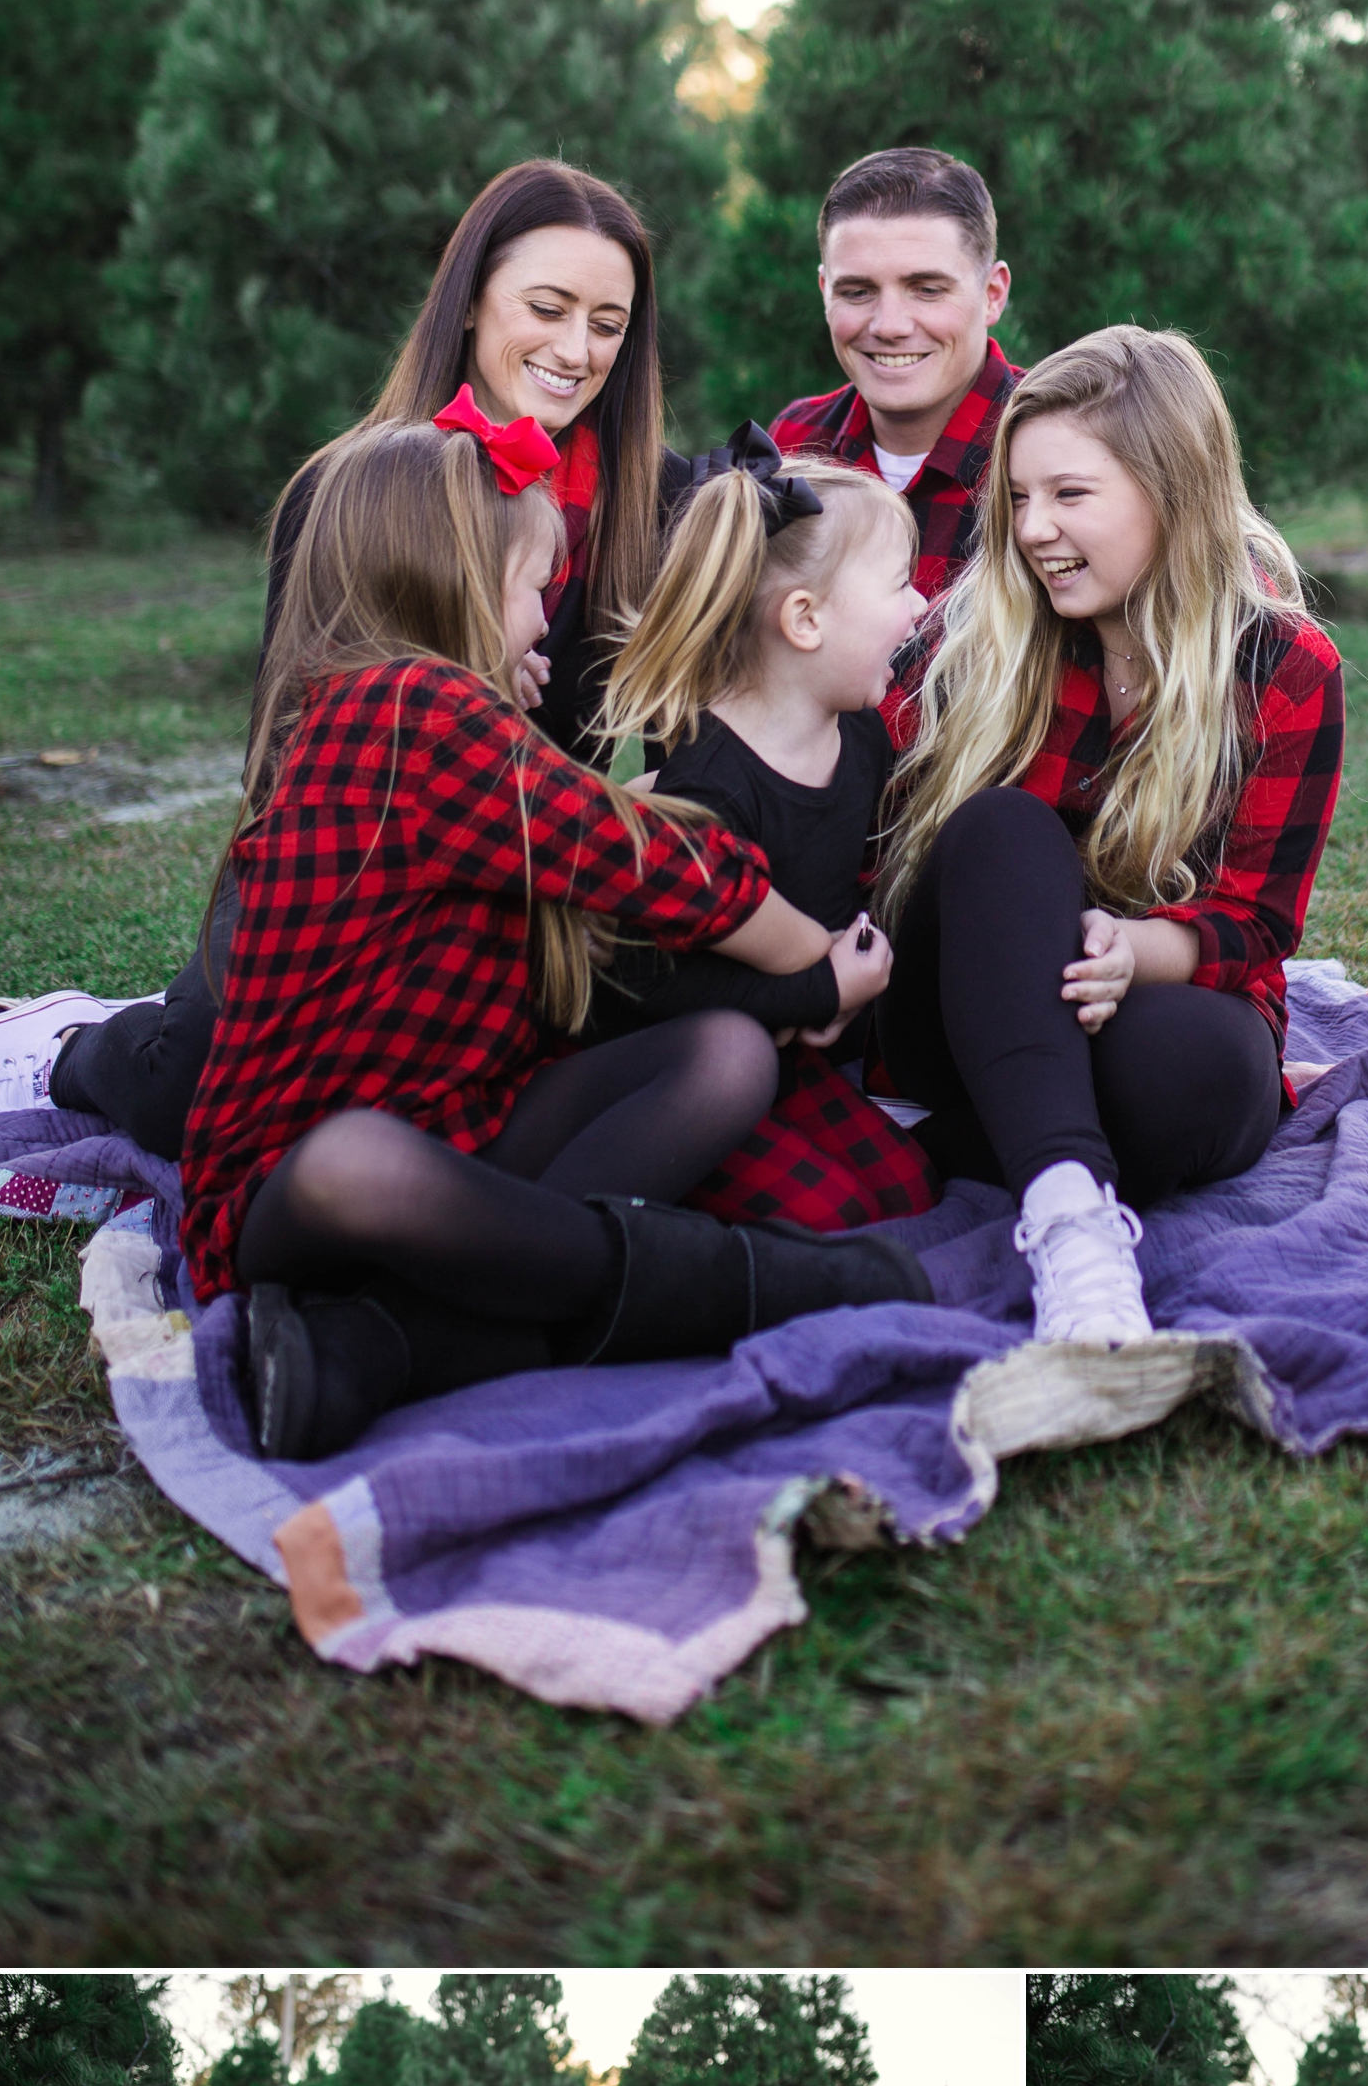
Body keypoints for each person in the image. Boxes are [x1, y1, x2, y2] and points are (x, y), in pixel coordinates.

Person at [179, 417, 929, 1461]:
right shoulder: (404, 707)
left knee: (723, 1055)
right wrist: (821, 971)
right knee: (353, 1161)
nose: (549, 619)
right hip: (290, 1182)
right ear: (454, 581)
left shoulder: (449, 715)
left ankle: (403, 1335)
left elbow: (590, 840)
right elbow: (669, 870)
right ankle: (747, 1283)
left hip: (468, 1130)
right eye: (537, 588)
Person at [52, 157, 696, 1154]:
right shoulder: (352, 490)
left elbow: (686, 730)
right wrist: (470, 695)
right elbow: (283, 759)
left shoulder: (648, 499)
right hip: (339, 868)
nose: (576, 347)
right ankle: (76, 1043)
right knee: (201, 1088)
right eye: (547, 305)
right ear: (474, 299)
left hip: (530, 872)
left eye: (606, 323)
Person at [876, 326, 1344, 1343]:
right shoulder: (975, 637)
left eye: (1070, 494)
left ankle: (1005, 1142)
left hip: (1143, 1002)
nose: (1034, 527)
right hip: (957, 1008)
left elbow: (1258, 918)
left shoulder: (1281, 668)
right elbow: (844, 813)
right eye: (1019, 496)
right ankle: (1074, 1233)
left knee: (1199, 1075)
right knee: (1005, 823)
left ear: (1172, 489)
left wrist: (1139, 948)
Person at [582, 431, 936, 1232]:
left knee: (907, 1191)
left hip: (793, 1053)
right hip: (681, 1062)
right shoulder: (711, 782)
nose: (919, 607)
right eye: (899, 585)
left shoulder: (862, 737)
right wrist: (821, 989)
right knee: (828, 1211)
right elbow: (648, 985)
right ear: (804, 620)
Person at [768, 146, 1019, 602]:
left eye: (926, 290)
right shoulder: (793, 443)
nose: (889, 326)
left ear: (993, 294)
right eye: (858, 291)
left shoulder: (1058, 448)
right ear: (825, 292)